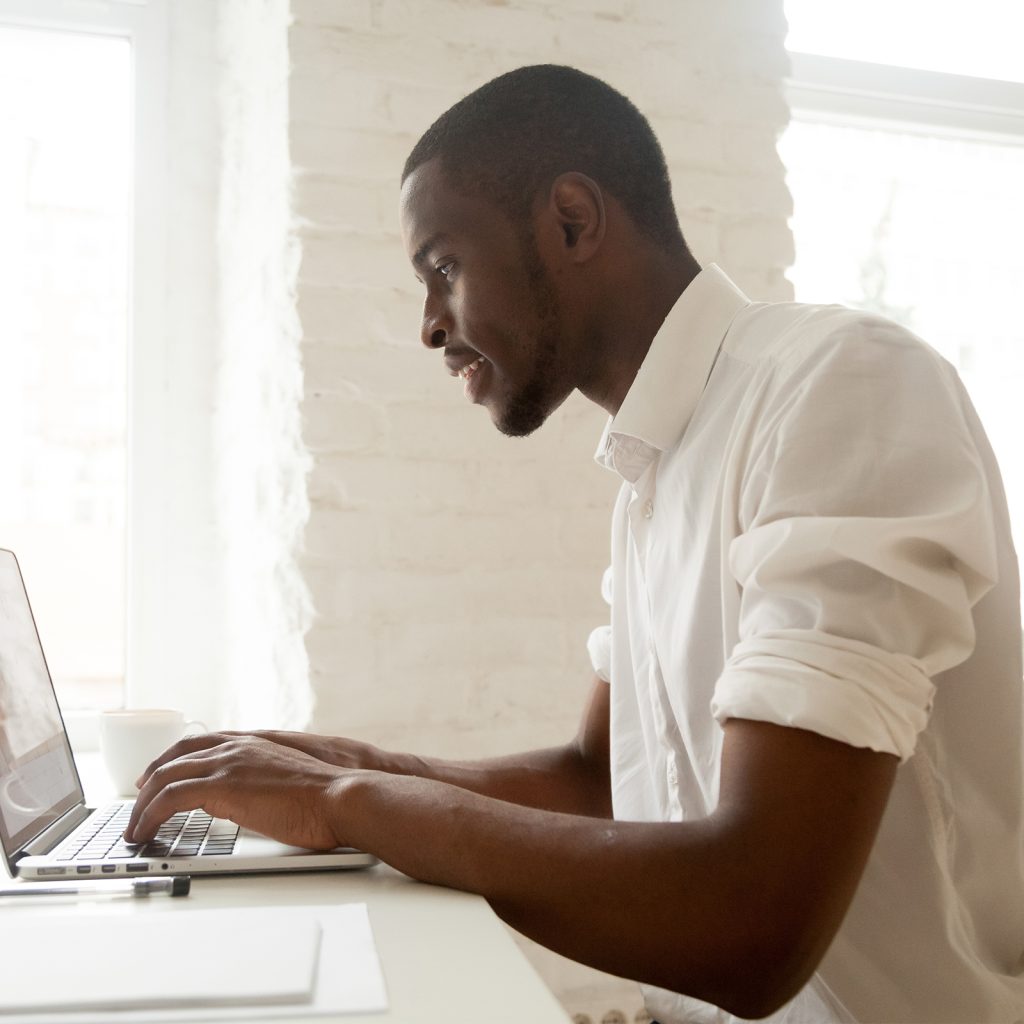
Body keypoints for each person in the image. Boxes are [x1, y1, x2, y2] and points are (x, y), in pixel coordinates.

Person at [125, 66, 1024, 1023]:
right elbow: (597, 778)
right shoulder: (656, 470)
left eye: (442, 266)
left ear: (571, 220)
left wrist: (344, 802)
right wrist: (348, 763)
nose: (430, 324)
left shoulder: (842, 385)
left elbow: (752, 921)